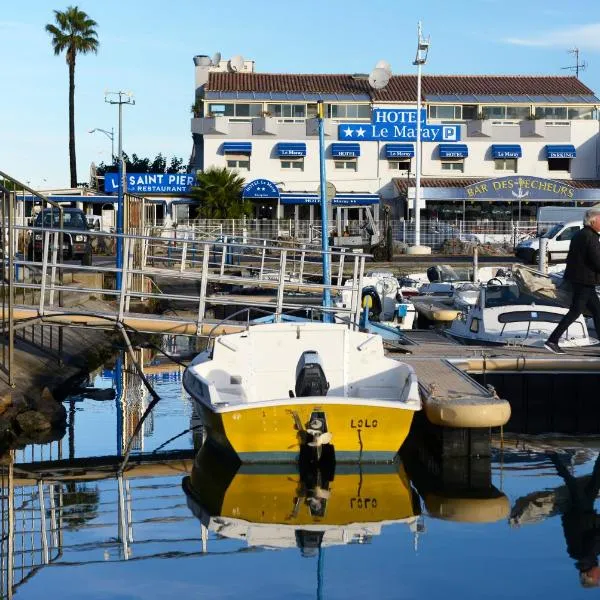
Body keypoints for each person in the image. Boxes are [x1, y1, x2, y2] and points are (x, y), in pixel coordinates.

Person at [545, 207, 600, 354]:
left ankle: (552, 340)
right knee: (576, 311)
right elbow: (596, 260)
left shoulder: (579, 234)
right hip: (585, 280)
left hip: (580, 279)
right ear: (593, 221)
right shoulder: (591, 236)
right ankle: (552, 340)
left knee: (597, 311)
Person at [552, 453, 600, 588]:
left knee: (572, 483)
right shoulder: (579, 556)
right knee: (594, 481)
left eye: (598, 578)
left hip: (581, 513)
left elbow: (595, 537)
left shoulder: (587, 557)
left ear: (590, 575)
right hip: (581, 513)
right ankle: (552, 456)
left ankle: (552, 455)